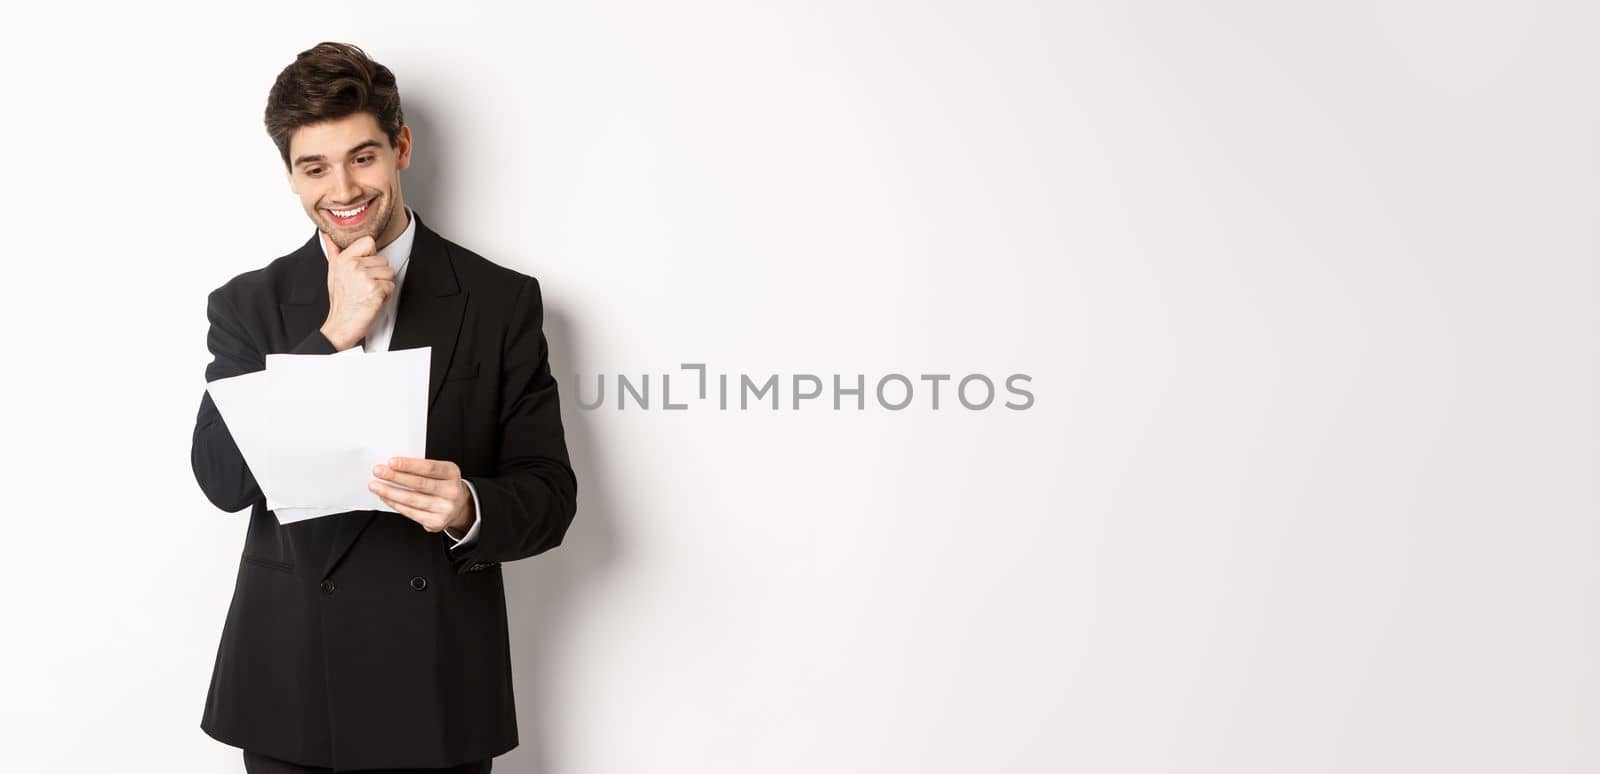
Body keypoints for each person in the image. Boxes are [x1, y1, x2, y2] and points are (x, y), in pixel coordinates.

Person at [190, 41, 578, 773]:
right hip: (292, 684)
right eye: (315, 167)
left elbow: (551, 496)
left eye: (362, 157)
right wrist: (334, 333)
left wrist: (467, 505)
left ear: (400, 148)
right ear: (291, 176)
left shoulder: (500, 301)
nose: (342, 188)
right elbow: (221, 480)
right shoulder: (248, 305)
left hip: (437, 680)